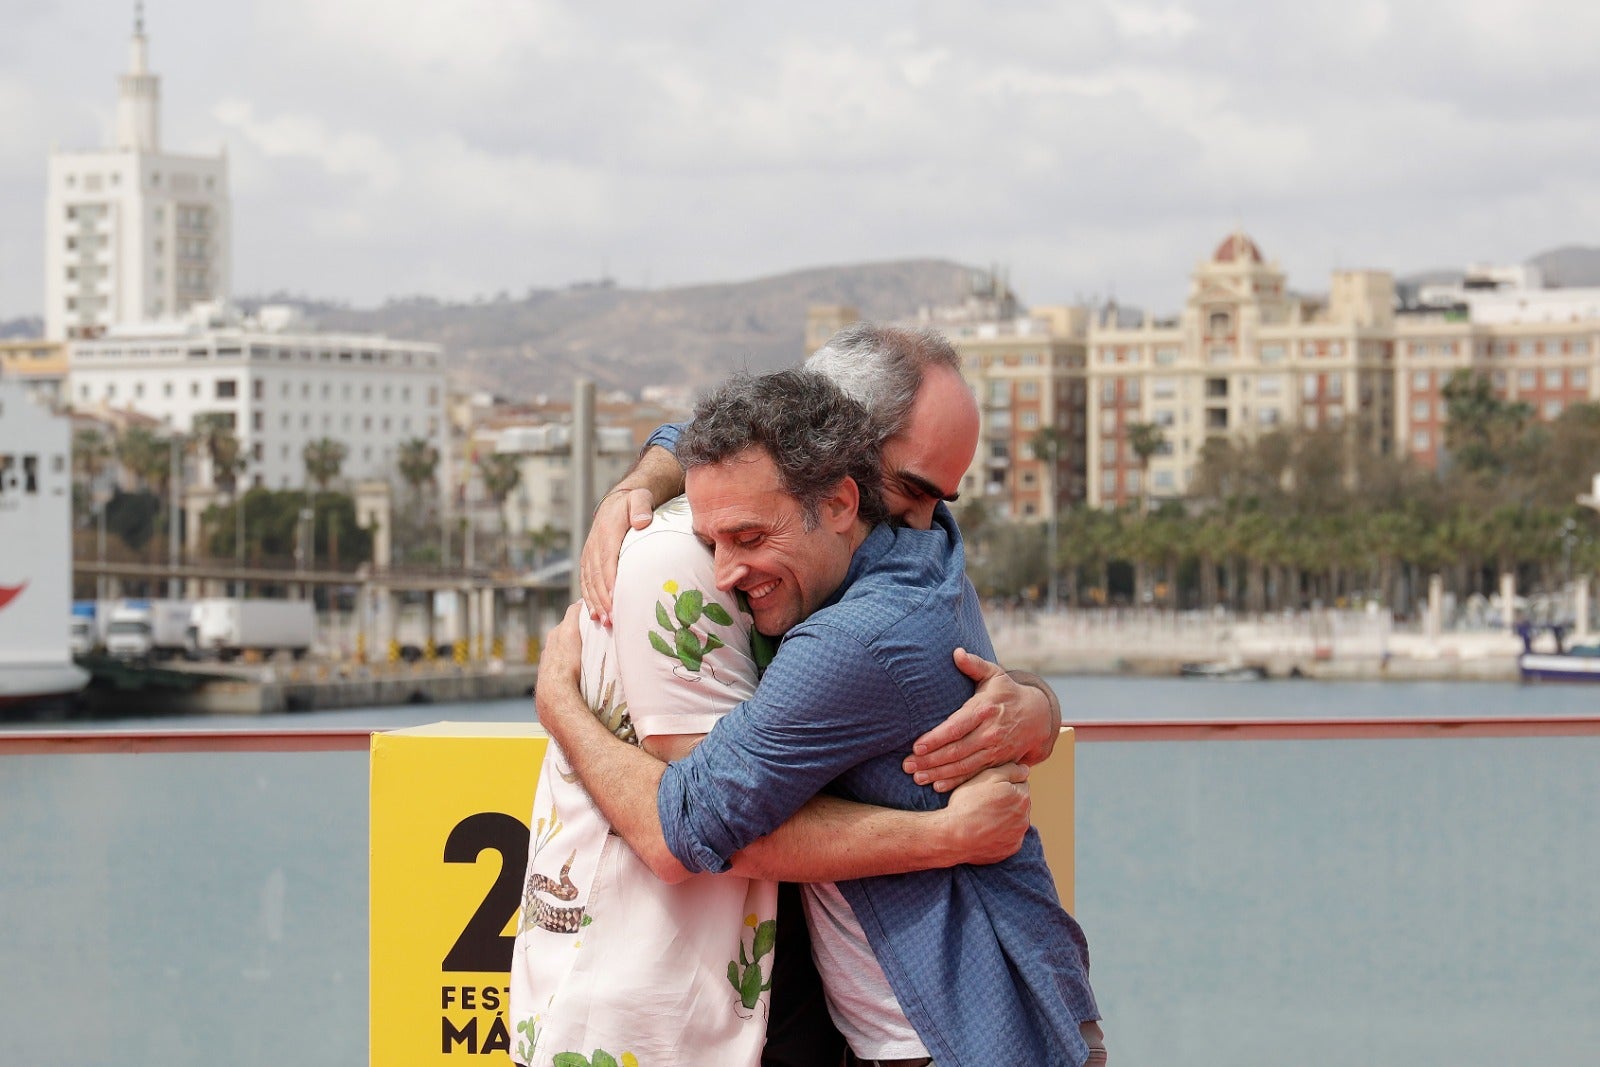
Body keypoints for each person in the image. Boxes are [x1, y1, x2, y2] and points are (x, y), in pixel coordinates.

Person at [538, 369, 1103, 1066]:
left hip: (959, 1033)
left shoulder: (852, 635)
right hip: (955, 1015)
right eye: (714, 541)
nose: (922, 515)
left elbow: (680, 828)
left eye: (748, 536)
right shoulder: (912, 549)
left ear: (843, 492)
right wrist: (644, 480)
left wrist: (560, 705)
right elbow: (720, 439)